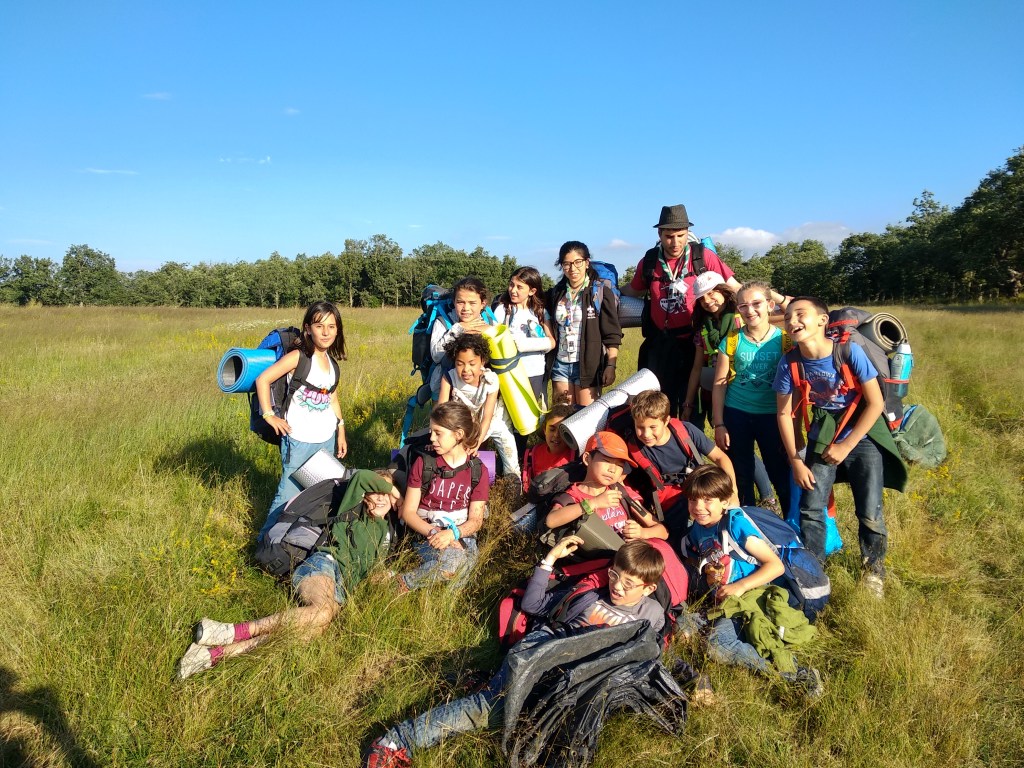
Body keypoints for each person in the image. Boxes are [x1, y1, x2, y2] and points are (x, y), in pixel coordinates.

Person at [364, 537, 667, 767]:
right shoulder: (588, 594)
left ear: (648, 589)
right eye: (614, 575)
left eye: (629, 584)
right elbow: (533, 605)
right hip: (541, 655)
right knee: (492, 709)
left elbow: (645, 659)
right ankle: (394, 741)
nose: (617, 587)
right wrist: (549, 559)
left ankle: (484, 683)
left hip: (575, 681)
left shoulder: (651, 616)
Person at [177, 469, 400, 679]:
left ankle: (212, 655)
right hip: (324, 565)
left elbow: (371, 572)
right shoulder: (353, 509)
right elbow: (361, 477)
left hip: (341, 590)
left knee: (309, 632)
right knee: (322, 612)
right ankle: (232, 631)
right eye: (376, 490)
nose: (381, 497)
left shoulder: (386, 534)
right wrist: (394, 490)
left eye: (386, 494)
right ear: (365, 495)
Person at [773, 297, 908, 598]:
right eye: (788, 316)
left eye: (800, 314)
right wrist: (796, 461)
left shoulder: (848, 351)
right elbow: (783, 413)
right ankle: (814, 571)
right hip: (823, 434)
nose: (792, 320)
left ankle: (873, 570)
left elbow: (875, 403)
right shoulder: (789, 362)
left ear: (823, 321)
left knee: (869, 510)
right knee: (811, 508)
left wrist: (847, 445)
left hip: (862, 435)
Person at [680, 466, 822, 695]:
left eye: (707, 500)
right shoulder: (698, 528)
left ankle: (794, 676)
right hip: (723, 600)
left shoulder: (735, 525)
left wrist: (740, 585)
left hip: (751, 596)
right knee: (681, 627)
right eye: (693, 499)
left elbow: (775, 565)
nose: (698, 506)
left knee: (718, 646)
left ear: (725, 502)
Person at [621, 205, 740, 420]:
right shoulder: (649, 261)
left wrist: (779, 300)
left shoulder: (703, 257)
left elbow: (734, 288)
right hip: (660, 344)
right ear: (659, 234)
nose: (675, 242)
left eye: (680, 235)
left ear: (687, 232)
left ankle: (691, 439)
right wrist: (608, 291)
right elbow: (634, 290)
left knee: (692, 407)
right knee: (656, 407)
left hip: (696, 343)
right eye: (669, 236)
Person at [255, 301, 348, 542]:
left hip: (325, 439)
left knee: (319, 492)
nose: (326, 332)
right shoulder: (298, 357)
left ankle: (302, 540)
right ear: (308, 328)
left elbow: (332, 398)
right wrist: (269, 415)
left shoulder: (332, 364)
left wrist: (340, 429)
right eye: (319, 326)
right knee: (287, 495)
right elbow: (263, 380)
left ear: (337, 330)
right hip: (298, 439)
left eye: (331, 326)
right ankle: (266, 543)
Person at [686, 275, 778, 509]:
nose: (708, 301)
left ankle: (767, 496)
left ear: (725, 292)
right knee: (736, 450)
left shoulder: (743, 319)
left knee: (756, 453)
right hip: (717, 395)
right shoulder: (704, 327)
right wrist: (689, 402)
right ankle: (746, 502)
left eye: (712, 293)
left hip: (745, 395)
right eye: (702, 298)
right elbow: (698, 367)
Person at [614, 389, 737, 546]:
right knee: (679, 542)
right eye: (640, 427)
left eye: (653, 427)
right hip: (669, 502)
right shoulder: (634, 448)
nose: (646, 434)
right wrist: (648, 519)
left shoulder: (686, 430)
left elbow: (721, 458)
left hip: (699, 488)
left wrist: (733, 492)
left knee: (724, 526)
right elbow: (619, 482)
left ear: (666, 421)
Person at [712, 281, 793, 513]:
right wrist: (719, 424)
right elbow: (719, 384)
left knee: (780, 472)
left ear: (770, 305)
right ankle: (748, 522)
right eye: (743, 306)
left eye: (756, 304)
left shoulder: (785, 340)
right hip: (736, 415)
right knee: (741, 474)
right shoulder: (731, 340)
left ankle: (790, 523)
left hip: (773, 416)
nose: (750, 310)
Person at [397, 401, 489, 592]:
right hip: (426, 532)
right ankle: (401, 583)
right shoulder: (425, 463)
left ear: (458, 434)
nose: (432, 438)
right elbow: (408, 512)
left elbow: (476, 520)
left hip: (461, 534)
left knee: (464, 572)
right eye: (432, 432)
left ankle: (419, 586)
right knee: (454, 566)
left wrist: (453, 534)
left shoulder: (478, 471)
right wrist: (435, 533)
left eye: (438, 433)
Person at [545, 431, 667, 542]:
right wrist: (593, 503)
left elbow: (663, 531)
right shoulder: (573, 496)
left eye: (619, 465)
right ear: (587, 459)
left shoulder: (622, 493)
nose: (612, 470)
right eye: (607, 461)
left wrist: (642, 533)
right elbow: (551, 520)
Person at [546, 241, 621, 407]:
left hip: (588, 367)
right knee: (561, 416)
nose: (572, 268)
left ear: (587, 263)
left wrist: (611, 365)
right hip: (560, 365)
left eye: (577, 262)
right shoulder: (556, 293)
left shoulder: (600, 293)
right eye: (567, 264)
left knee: (586, 417)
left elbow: (612, 334)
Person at [438, 332, 520, 483]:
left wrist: (477, 442)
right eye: (459, 364)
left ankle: (514, 481)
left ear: (482, 361)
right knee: (459, 450)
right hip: (464, 422)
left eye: (472, 363)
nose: (466, 370)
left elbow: (487, 417)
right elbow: (441, 412)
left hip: (494, 419)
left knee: (508, 448)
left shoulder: (491, 380)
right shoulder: (449, 378)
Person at [491, 266, 556, 413]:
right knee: (507, 414)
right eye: (511, 285)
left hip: (535, 371)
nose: (513, 290)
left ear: (532, 291)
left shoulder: (540, 312)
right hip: (509, 372)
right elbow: (494, 339)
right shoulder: (503, 310)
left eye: (519, 287)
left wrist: (524, 344)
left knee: (528, 415)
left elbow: (551, 342)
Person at [428, 276, 494, 400]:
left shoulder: (489, 323)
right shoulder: (444, 322)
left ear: (483, 303)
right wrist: (459, 328)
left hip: (479, 391)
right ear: (454, 302)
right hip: (446, 390)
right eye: (460, 302)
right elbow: (436, 356)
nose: (466, 308)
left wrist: (489, 331)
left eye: (472, 303)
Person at [521, 403, 577, 489]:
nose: (556, 435)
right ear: (544, 430)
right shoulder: (533, 454)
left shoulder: (576, 456)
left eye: (562, 430)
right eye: (552, 429)